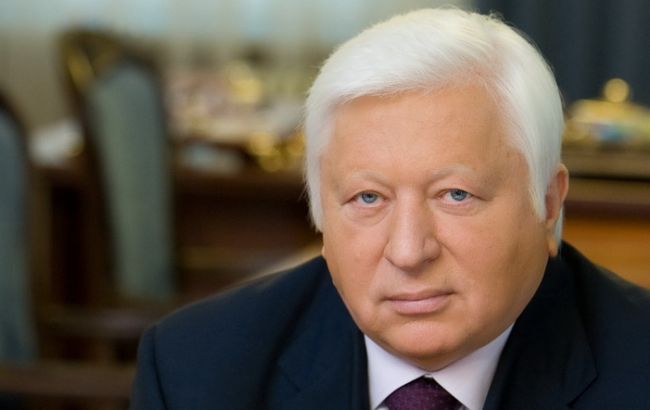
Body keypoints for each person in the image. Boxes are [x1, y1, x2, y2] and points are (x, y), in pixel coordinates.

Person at [130, 8, 650, 410]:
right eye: (368, 198)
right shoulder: (195, 370)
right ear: (321, 216)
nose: (408, 252)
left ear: (548, 201)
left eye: (455, 195)